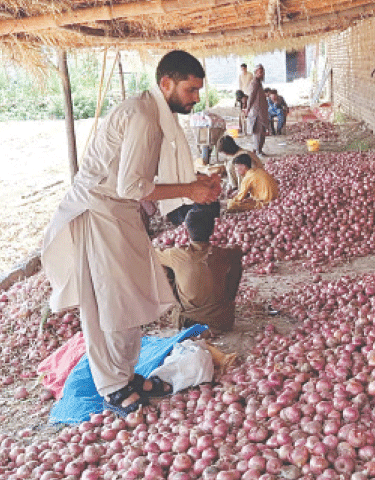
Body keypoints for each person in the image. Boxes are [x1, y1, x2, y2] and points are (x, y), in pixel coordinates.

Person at [41, 50, 222, 417]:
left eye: (198, 91)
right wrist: (189, 189)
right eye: (190, 90)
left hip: (116, 211)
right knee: (110, 301)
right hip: (100, 211)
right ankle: (112, 387)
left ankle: (123, 375)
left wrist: (191, 184)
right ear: (166, 83)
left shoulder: (151, 113)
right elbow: (132, 186)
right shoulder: (143, 117)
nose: (196, 99)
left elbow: (136, 182)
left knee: (129, 297)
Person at [156, 208, 243, 333]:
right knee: (235, 263)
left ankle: (174, 307)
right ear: (212, 230)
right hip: (222, 321)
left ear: (187, 231)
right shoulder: (223, 253)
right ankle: (227, 301)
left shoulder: (177, 254)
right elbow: (238, 251)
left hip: (188, 323)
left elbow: (152, 253)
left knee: (164, 266)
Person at [244, 64, 270, 156]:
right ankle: (257, 151)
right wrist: (248, 108)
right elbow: (251, 96)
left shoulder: (259, 83)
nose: (262, 74)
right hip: (256, 113)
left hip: (261, 112)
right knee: (258, 132)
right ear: (255, 73)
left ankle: (259, 150)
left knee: (262, 132)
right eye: (260, 72)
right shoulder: (254, 83)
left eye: (262, 72)